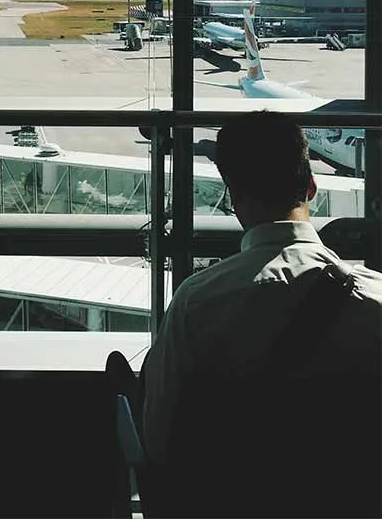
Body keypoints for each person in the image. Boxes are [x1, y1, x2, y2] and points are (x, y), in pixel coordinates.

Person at [140, 111, 382, 471]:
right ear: (311, 187)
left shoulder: (198, 302)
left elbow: (159, 438)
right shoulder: (375, 298)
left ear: (233, 198)